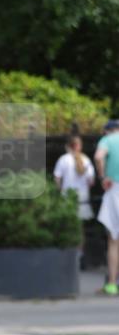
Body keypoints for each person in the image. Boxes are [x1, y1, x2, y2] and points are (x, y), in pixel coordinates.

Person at [53, 135, 95, 264]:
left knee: (66, 227)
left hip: (67, 197)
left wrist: (59, 191)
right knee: (79, 227)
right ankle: (79, 254)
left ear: (68, 146)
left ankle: (67, 254)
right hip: (82, 197)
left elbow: (57, 178)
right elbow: (91, 182)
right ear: (79, 146)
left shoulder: (63, 159)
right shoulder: (86, 160)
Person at [94, 119, 119, 296]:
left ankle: (111, 284)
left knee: (113, 240)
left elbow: (98, 157)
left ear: (107, 130)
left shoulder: (108, 140)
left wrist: (103, 177)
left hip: (115, 189)